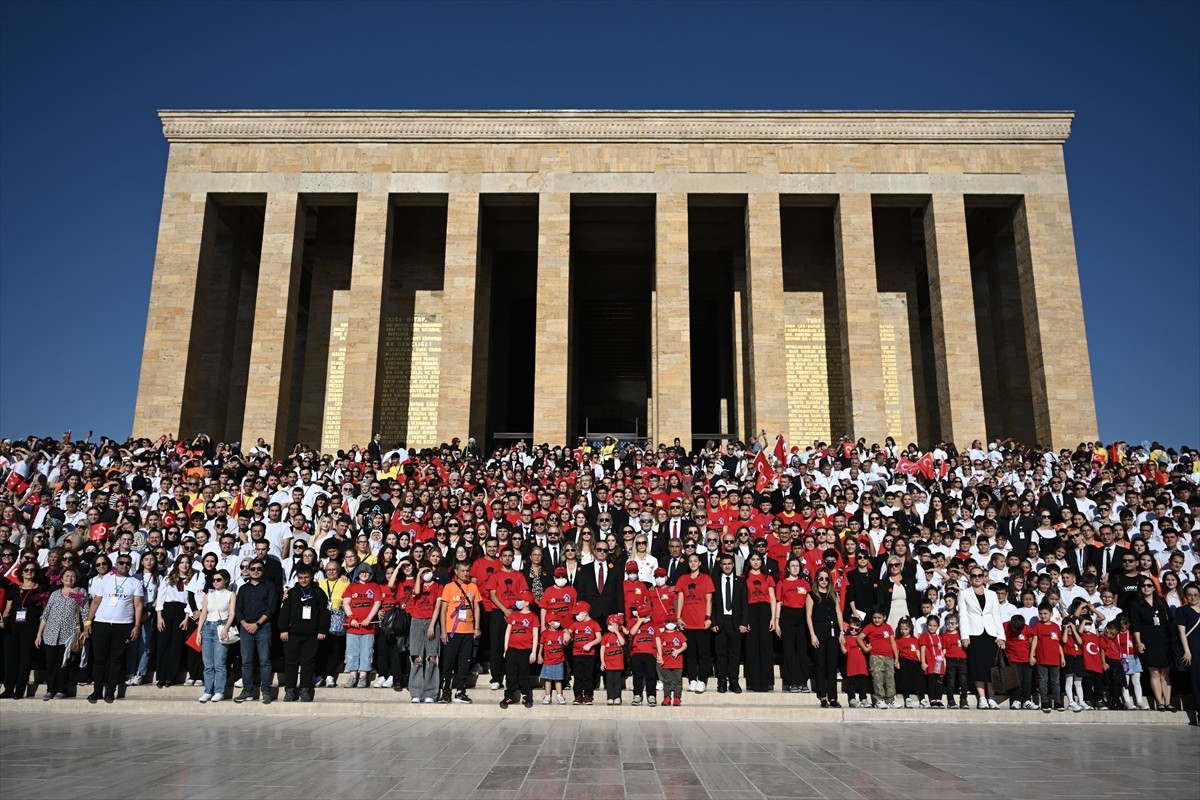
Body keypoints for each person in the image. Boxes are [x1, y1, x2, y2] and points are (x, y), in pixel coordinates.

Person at [83, 552, 145, 703]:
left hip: (123, 625)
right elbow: (96, 602)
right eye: (121, 563)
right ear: (116, 564)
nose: (124, 565)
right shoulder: (106, 581)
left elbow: (138, 605)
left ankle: (110, 690)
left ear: (130, 566)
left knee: (116, 660)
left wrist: (136, 625)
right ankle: (97, 690)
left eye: (127, 563)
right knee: (99, 659)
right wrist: (88, 623)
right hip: (102, 623)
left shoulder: (135, 583)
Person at [430, 560, 481, 704]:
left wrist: (477, 627)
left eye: (467, 571)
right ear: (456, 572)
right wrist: (444, 631)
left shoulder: (473, 587)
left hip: (468, 631)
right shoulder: (449, 587)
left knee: (464, 663)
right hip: (452, 631)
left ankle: (460, 691)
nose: (465, 573)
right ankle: (446, 692)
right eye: (463, 571)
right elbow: (444, 609)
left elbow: (476, 608)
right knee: (448, 663)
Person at [231, 557, 280, 704]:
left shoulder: (269, 586)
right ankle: (247, 691)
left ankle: (265, 690)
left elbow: (271, 608)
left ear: (263, 570)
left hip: (263, 627)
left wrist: (257, 624)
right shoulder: (243, 588)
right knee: (246, 662)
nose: (256, 571)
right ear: (248, 571)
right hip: (246, 627)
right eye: (253, 569)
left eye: (259, 569)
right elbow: (238, 609)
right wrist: (245, 624)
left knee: (264, 661)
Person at [277, 564, 330, 702]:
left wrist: (322, 630)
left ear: (311, 577)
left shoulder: (318, 592)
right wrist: (283, 629)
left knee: (308, 663)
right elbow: (284, 612)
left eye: (306, 577)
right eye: (300, 578)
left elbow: (325, 612)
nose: (304, 580)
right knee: (291, 662)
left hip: (312, 635)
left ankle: (305, 689)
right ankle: (290, 690)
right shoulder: (292, 592)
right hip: (293, 634)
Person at [958, 565, 1006, 709]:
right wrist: (964, 636)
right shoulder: (964, 594)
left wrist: (1001, 636)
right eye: (974, 576)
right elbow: (963, 616)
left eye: (980, 575)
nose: (977, 578)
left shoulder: (991, 594)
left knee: (991, 667)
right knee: (978, 667)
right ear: (970, 577)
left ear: (984, 578)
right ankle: (982, 698)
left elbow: (997, 615)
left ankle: (992, 697)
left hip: (990, 633)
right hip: (974, 633)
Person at [34, 566, 84, 700]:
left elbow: (84, 612)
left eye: (72, 576)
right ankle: (50, 689)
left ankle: (61, 689)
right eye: (67, 576)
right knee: (50, 663)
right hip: (51, 633)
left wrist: (85, 630)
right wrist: (39, 634)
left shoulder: (80, 591)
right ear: (61, 579)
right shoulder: (55, 593)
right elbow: (45, 615)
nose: (69, 578)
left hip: (68, 634)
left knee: (64, 663)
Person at [3, 561, 46, 698]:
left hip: (30, 627)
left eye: (32, 570)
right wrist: (3, 619)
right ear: (21, 572)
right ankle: (8, 689)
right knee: (11, 659)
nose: (29, 572)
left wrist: (40, 632)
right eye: (26, 570)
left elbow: (44, 612)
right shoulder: (14, 589)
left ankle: (20, 689)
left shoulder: (40, 589)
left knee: (25, 659)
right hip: (13, 627)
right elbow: (7, 610)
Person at [1129, 578, 1173, 711]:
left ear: (1154, 587)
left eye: (1149, 585)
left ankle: (1168, 702)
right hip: (1148, 639)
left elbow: (1169, 619)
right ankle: (1159, 702)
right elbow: (1135, 625)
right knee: (1154, 672)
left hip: (1164, 638)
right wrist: (1138, 642)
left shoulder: (1161, 601)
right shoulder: (1136, 604)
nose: (1146, 588)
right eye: (1143, 586)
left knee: (1165, 672)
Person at [674, 552, 714, 693]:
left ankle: (702, 680)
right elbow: (680, 599)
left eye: (695, 561)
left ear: (700, 563)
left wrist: (708, 617)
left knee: (703, 654)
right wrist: (678, 617)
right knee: (690, 653)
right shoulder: (683, 579)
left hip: (701, 622)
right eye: (690, 561)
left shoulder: (706, 579)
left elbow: (709, 600)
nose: (693, 563)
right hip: (687, 622)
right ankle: (692, 679)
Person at [805, 566, 843, 707]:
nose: (824, 581)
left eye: (826, 578)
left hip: (833, 630)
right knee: (820, 664)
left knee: (832, 665)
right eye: (821, 578)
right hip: (818, 630)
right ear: (816, 579)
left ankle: (833, 697)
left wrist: (841, 632)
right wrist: (812, 634)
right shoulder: (811, 595)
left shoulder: (833, 594)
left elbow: (838, 612)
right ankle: (822, 696)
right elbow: (808, 615)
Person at [195, 568, 235, 703]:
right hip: (207, 627)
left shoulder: (230, 594)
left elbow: (232, 613)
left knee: (220, 663)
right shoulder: (208, 595)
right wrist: (198, 632)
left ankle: (219, 691)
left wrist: (226, 629)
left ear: (226, 581)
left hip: (221, 626)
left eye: (219, 579)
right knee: (208, 663)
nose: (216, 582)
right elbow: (203, 614)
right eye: (214, 580)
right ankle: (207, 690)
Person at [341, 563, 382, 689]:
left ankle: (363, 676)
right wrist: (351, 617)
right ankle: (352, 675)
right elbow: (346, 603)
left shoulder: (374, 586)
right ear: (358, 574)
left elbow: (377, 603)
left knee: (366, 651)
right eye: (362, 572)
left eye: (367, 573)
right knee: (352, 652)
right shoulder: (352, 586)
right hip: (353, 627)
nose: (365, 574)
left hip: (368, 628)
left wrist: (369, 618)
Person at [406, 561, 441, 703]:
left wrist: (432, 625)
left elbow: (437, 607)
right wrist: (419, 575)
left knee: (432, 657)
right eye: (423, 571)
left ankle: (430, 693)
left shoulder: (439, 586)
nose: (426, 574)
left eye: (428, 571)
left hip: (431, 621)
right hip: (417, 621)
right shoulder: (417, 582)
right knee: (416, 656)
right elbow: (417, 592)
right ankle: (416, 691)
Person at [710, 553, 745, 694]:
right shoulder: (715, 580)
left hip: (735, 623)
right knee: (721, 654)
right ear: (720, 565)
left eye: (729, 564)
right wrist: (712, 621)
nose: (727, 566)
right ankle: (722, 681)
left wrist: (744, 623)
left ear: (733, 565)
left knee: (735, 654)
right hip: (720, 621)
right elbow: (710, 603)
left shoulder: (740, 581)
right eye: (724, 564)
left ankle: (733, 681)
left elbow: (744, 604)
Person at [775, 557, 811, 693]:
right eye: (792, 566)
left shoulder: (805, 583)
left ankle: (802, 681)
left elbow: (809, 603)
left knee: (801, 650)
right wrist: (777, 621)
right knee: (789, 650)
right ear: (788, 568)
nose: (795, 568)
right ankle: (792, 682)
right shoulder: (782, 583)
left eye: (797, 566)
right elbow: (778, 602)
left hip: (801, 616)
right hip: (787, 615)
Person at [742, 552, 776, 692]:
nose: (755, 562)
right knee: (752, 647)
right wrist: (745, 619)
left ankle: (766, 682)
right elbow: (743, 599)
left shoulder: (767, 577)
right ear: (749, 561)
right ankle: (754, 681)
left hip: (765, 611)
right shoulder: (744, 578)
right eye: (753, 559)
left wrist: (773, 618)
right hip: (750, 611)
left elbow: (773, 598)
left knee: (766, 647)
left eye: (758, 559)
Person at [499, 591, 538, 709]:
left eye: (520, 600)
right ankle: (509, 695)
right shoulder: (514, 615)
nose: (518, 602)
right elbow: (508, 631)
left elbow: (535, 635)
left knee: (524, 673)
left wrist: (533, 652)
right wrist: (506, 647)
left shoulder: (533, 617)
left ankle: (526, 696)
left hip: (525, 649)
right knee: (510, 673)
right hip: (512, 648)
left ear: (526, 603)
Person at [316, 560, 349, 688]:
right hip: (322, 619)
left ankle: (330, 675)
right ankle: (319, 674)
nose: (331, 572)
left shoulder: (344, 582)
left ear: (338, 571)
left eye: (334, 569)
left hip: (337, 619)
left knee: (334, 648)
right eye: (328, 570)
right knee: (321, 648)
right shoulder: (320, 583)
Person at [1029, 602, 1065, 713]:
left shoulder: (1055, 626)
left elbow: (1058, 643)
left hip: (1054, 659)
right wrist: (1032, 655)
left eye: (1045, 613)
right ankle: (1044, 702)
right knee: (1043, 680)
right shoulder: (1037, 626)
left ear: (1051, 613)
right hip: (1042, 658)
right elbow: (1034, 641)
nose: (1043, 616)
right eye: (1041, 614)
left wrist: (1062, 657)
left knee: (1055, 681)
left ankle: (1057, 702)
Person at [859, 609, 898, 709]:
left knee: (890, 678)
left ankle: (890, 700)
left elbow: (893, 642)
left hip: (889, 657)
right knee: (878, 678)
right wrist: (865, 649)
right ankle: (879, 700)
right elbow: (859, 638)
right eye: (875, 618)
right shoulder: (869, 627)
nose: (877, 620)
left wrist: (896, 658)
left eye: (879, 618)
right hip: (876, 656)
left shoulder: (888, 627)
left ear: (884, 617)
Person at [1173, 582, 1200, 719]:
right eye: (1189, 595)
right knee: (1197, 682)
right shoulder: (1181, 611)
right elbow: (1182, 633)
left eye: (1196, 595)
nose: (1193, 597)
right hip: (1194, 649)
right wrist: (1187, 651)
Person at [568, 600, 600, 705]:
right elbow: (569, 632)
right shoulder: (575, 624)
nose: (576, 616)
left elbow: (599, 638)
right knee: (578, 675)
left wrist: (590, 644)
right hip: (577, 654)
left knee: (588, 675)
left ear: (585, 613)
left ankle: (588, 695)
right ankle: (577, 695)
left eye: (578, 613)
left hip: (589, 655)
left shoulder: (593, 623)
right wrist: (566, 635)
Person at [626, 610, 658, 706]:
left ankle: (651, 695)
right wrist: (639, 621)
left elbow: (658, 639)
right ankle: (637, 695)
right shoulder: (635, 624)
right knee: (637, 676)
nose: (645, 617)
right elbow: (631, 633)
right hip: (636, 653)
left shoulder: (653, 626)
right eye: (642, 615)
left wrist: (659, 654)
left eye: (646, 615)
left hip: (650, 653)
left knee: (651, 676)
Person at [656, 615, 687, 707]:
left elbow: (685, 645)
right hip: (666, 662)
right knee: (667, 681)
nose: (670, 624)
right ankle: (667, 697)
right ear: (665, 624)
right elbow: (660, 647)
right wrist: (660, 656)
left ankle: (677, 698)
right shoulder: (663, 635)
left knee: (677, 681)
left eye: (672, 622)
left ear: (676, 624)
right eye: (668, 622)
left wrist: (678, 651)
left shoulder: (679, 634)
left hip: (677, 662)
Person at [539, 614, 568, 705]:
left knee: (558, 679)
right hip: (548, 660)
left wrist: (567, 637)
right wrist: (539, 655)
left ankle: (559, 695)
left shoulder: (560, 632)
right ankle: (547, 695)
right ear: (549, 623)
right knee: (548, 679)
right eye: (555, 621)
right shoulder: (545, 634)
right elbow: (541, 645)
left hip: (559, 660)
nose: (558, 623)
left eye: (558, 621)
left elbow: (565, 643)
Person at [918, 614, 946, 708]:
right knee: (931, 682)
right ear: (927, 625)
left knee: (939, 682)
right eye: (930, 625)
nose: (932, 627)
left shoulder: (940, 638)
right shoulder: (924, 636)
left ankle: (939, 699)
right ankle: (933, 699)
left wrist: (944, 662)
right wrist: (923, 662)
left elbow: (942, 651)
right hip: (930, 662)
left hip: (939, 663)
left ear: (938, 626)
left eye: (934, 626)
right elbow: (922, 649)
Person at [894, 616, 922, 708]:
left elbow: (917, 651)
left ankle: (922, 697)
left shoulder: (914, 639)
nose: (903, 631)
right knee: (905, 679)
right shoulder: (898, 640)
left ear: (910, 628)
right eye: (901, 629)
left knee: (917, 677)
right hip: (904, 660)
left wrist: (921, 661)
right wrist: (897, 661)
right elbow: (897, 651)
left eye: (906, 629)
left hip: (914, 661)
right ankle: (907, 697)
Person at [600, 613, 626, 705]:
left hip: (618, 663)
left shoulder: (620, 634)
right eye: (609, 625)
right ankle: (610, 697)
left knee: (617, 681)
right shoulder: (605, 636)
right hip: (608, 663)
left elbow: (622, 643)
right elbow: (602, 649)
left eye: (613, 625)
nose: (611, 627)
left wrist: (617, 632)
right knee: (610, 681)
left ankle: (617, 697)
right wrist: (602, 662)